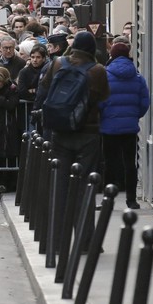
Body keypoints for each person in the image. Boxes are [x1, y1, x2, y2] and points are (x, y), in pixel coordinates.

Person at [39, 31, 110, 244]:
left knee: (60, 187)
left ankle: (58, 241)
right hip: (87, 134)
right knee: (84, 188)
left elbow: (44, 88)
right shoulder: (97, 70)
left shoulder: (58, 63)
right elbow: (104, 98)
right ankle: (85, 239)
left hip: (60, 132)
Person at [99, 42, 149, 210]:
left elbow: (99, 102)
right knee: (130, 164)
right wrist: (134, 116)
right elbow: (144, 102)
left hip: (108, 127)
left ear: (111, 55)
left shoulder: (105, 76)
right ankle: (131, 199)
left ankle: (108, 200)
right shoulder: (138, 77)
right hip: (130, 127)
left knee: (109, 163)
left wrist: (104, 116)